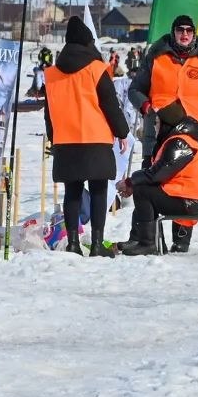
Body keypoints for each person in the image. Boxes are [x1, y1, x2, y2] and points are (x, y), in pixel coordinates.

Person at [43, 16, 130, 256]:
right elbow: (110, 104)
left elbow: (49, 112)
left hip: (65, 140)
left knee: (72, 191)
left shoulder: (51, 74)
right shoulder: (97, 69)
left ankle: (73, 243)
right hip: (96, 138)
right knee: (99, 190)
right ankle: (98, 244)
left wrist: (54, 137)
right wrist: (122, 132)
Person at [129, 15, 198, 169]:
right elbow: (134, 90)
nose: (185, 34)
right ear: (173, 32)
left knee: (193, 179)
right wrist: (146, 107)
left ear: (194, 34)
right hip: (160, 130)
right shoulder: (155, 57)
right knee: (157, 178)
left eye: (189, 30)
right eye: (180, 30)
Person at [115, 108, 198, 256]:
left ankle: (149, 243)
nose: (154, 127)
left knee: (142, 191)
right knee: (144, 188)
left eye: (157, 123)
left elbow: (158, 174)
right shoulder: (178, 140)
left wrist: (130, 182)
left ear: (166, 125)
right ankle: (139, 239)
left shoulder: (180, 142)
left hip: (193, 201)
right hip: (192, 198)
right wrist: (134, 182)